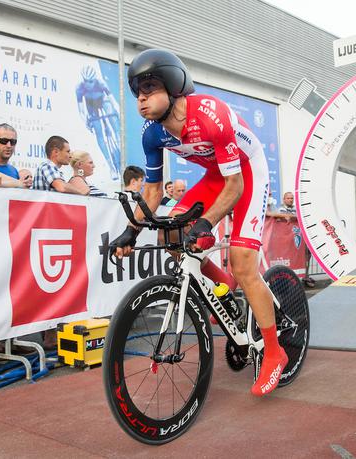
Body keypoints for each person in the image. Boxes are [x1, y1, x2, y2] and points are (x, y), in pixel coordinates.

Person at [111, 49, 286, 397]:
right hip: (216, 176)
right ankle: (222, 289)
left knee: (242, 262)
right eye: (137, 93)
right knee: (172, 235)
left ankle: (274, 351)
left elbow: (234, 186)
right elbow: (153, 191)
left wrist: (206, 223)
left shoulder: (210, 115)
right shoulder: (153, 134)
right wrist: (130, 231)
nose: (141, 99)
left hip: (246, 173)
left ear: (174, 87)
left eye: (149, 88)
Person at [76, 65, 121, 180]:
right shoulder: (80, 88)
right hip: (92, 106)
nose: (88, 84)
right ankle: (111, 167)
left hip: (103, 101)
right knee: (99, 133)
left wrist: (117, 114)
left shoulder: (101, 84)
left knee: (112, 113)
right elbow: (81, 110)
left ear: (94, 80)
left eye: (90, 81)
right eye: (86, 81)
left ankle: (118, 139)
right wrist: (86, 121)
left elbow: (112, 101)